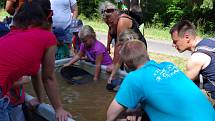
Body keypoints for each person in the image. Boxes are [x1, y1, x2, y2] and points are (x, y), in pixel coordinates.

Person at [107, 40, 215, 121]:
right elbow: (162, 94)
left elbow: (110, 116)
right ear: (147, 55)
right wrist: (138, 108)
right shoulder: (169, 66)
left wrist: (127, 113)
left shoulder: (134, 78)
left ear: (126, 64)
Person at [0, 0, 71, 121]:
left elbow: (35, 72)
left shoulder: (13, 34)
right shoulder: (48, 38)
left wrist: (39, 99)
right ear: (48, 17)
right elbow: (48, 78)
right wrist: (58, 108)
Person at [170, 20, 215, 105]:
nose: (173, 45)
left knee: (177, 96)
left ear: (187, 37)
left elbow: (182, 85)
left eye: (175, 41)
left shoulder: (196, 58)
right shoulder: (211, 41)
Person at [99, 1, 147, 71]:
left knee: (134, 67)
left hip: (137, 45)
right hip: (126, 45)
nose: (109, 22)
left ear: (116, 13)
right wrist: (108, 45)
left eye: (110, 21)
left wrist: (114, 64)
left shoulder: (122, 21)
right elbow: (110, 31)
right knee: (121, 65)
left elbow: (119, 44)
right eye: (107, 21)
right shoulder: (110, 20)